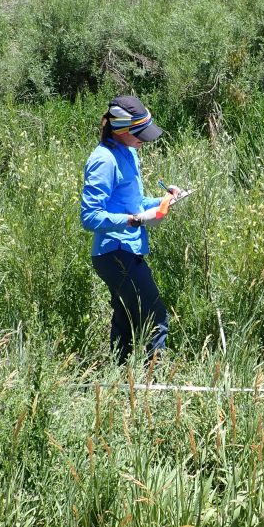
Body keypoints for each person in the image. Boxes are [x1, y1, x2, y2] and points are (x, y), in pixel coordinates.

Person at [80, 95, 178, 364]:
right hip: (114, 254)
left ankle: (118, 383)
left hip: (128, 249)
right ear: (122, 128)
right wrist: (133, 220)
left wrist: (164, 200)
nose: (144, 140)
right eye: (140, 134)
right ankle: (154, 386)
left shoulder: (129, 152)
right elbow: (89, 217)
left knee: (124, 319)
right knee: (155, 317)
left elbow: (134, 204)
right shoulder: (103, 160)